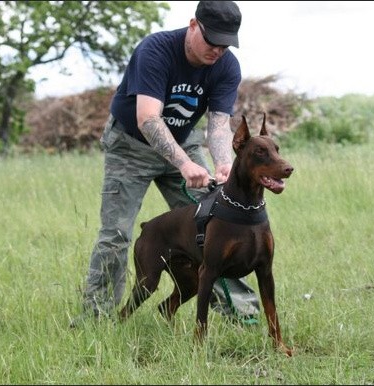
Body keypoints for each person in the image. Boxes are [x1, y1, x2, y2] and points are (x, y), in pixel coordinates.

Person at [70, 1, 260, 328]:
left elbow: (217, 126)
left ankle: (242, 313)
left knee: (217, 223)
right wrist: (185, 166)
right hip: (130, 145)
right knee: (115, 234)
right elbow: (147, 118)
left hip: (183, 141)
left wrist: (224, 164)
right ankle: (94, 321)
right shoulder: (156, 50)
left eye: (225, 43)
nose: (217, 50)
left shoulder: (227, 67)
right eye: (211, 40)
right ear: (192, 25)